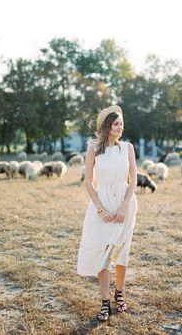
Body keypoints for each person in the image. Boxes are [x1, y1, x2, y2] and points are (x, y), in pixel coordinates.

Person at [77, 105, 138, 322]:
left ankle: (119, 293)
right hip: (101, 204)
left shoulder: (128, 148)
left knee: (122, 252)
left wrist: (124, 206)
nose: (120, 127)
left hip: (125, 203)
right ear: (107, 126)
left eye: (121, 123)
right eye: (116, 124)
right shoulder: (93, 149)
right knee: (102, 252)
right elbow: (89, 182)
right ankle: (104, 302)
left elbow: (133, 181)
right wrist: (100, 209)